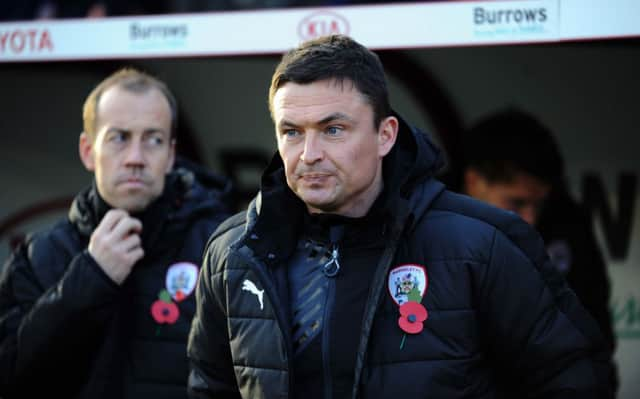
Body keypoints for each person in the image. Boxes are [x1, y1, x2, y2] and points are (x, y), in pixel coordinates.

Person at [187, 35, 611, 399]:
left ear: (385, 135)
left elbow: (572, 378)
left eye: (333, 129)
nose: (309, 154)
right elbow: (210, 387)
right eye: (291, 131)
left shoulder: (484, 243)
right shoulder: (235, 251)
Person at [0, 68, 231, 398]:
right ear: (87, 151)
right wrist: (91, 277)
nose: (135, 158)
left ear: (170, 155)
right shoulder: (40, 256)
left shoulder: (219, 249)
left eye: (153, 140)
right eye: (119, 138)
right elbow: (12, 380)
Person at [460, 108, 617, 396]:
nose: (530, 218)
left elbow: (592, 334)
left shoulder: (566, 223)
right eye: (517, 203)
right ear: (474, 182)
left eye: (538, 204)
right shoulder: (426, 222)